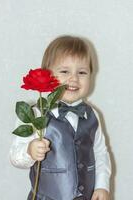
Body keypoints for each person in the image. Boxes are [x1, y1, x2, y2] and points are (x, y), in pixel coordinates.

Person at [10, 35, 111, 200]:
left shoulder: (93, 115)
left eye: (82, 72)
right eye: (64, 71)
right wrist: (29, 151)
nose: (74, 78)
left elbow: (100, 153)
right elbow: (15, 156)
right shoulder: (35, 114)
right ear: (47, 74)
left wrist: (102, 185)